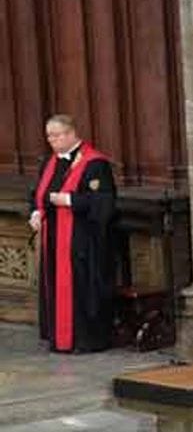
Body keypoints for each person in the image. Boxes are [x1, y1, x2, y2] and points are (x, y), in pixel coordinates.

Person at [30, 114, 117, 354]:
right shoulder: (49, 162)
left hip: (82, 240)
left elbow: (104, 202)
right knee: (55, 286)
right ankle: (59, 337)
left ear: (71, 134)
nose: (52, 141)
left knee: (81, 287)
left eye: (57, 135)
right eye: (49, 136)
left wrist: (68, 200)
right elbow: (38, 193)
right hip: (54, 238)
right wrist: (36, 212)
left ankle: (84, 339)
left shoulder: (95, 163)